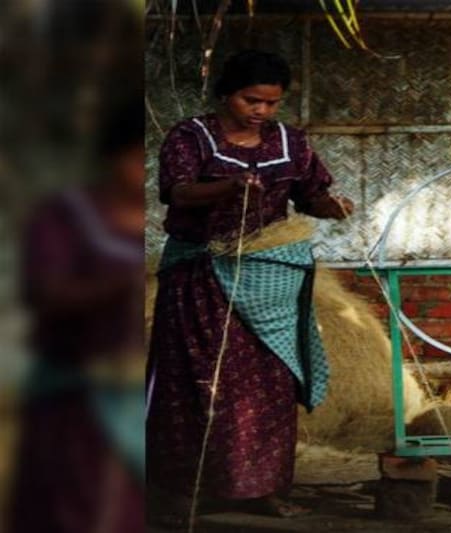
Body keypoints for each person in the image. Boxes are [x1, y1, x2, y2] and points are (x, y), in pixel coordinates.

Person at [146, 49, 353, 526]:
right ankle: (186, 491)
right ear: (225, 94)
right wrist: (228, 188)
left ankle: (263, 488)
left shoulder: (290, 142)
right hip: (202, 276)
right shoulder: (191, 136)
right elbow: (177, 192)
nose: (261, 111)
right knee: (199, 383)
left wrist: (333, 206)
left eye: (272, 103)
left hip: (268, 277)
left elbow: (311, 196)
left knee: (270, 385)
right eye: (251, 100)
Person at [8, 100, 146, 533]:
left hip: (139, 401)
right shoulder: (67, 215)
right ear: (113, 155)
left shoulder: (157, 221)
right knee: (81, 510)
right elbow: (44, 294)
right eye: (139, 160)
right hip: (81, 398)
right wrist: (121, 286)